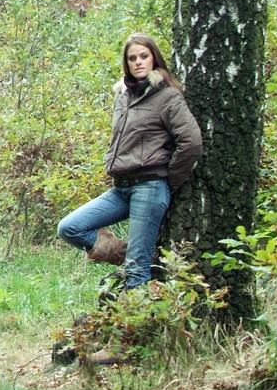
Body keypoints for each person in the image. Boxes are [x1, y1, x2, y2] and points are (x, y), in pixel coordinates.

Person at [57, 33, 203, 290]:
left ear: (154, 59)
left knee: (136, 274)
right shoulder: (124, 96)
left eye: (144, 56)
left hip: (150, 186)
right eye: (132, 58)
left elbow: (191, 142)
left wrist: (170, 180)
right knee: (70, 228)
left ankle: (139, 320)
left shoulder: (167, 96)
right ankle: (142, 258)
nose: (138, 62)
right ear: (126, 63)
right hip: (121, 187)